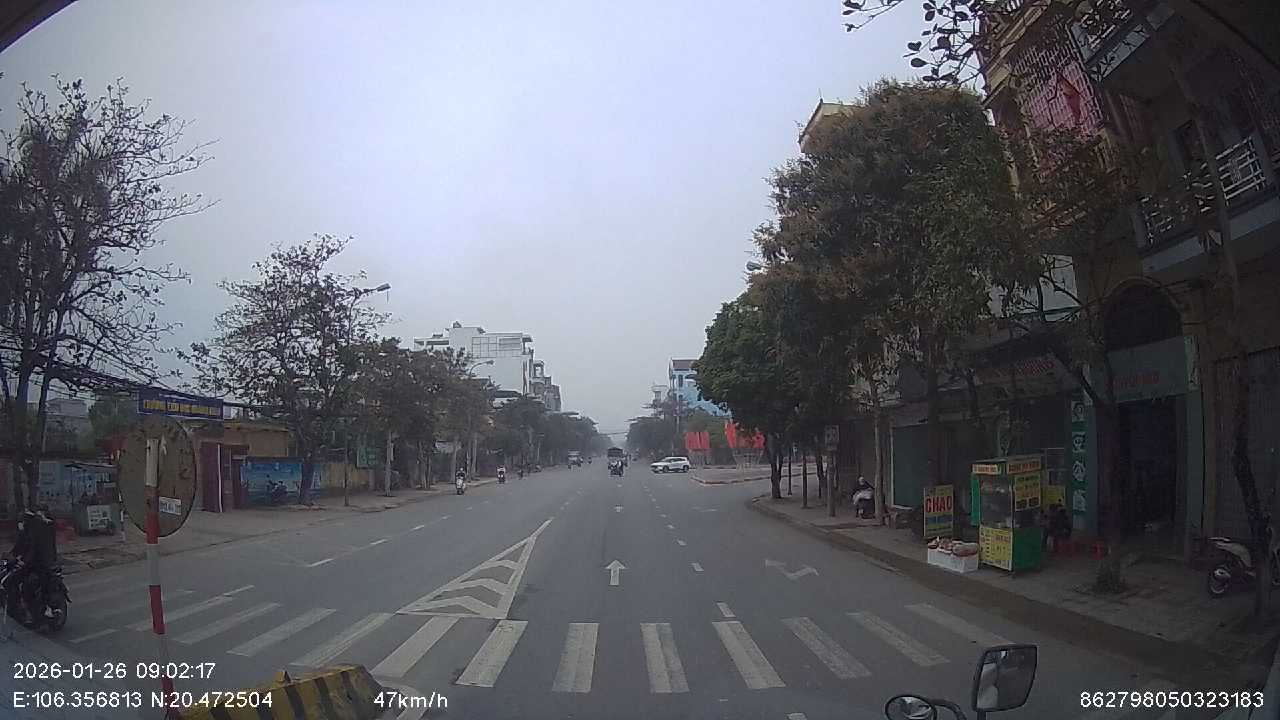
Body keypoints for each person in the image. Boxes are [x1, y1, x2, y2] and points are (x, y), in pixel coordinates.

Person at [6, 505, 58, 622]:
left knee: (31, 584)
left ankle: (46, 608)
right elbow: (19, 546)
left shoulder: (39, 530)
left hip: (43, 562)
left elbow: (34, 549)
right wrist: (10, 556)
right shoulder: (25, 531)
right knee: (12, 579)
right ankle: (17, 607)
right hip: (31, 562)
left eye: (22, 520)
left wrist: (24, 561)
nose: (20, 523)